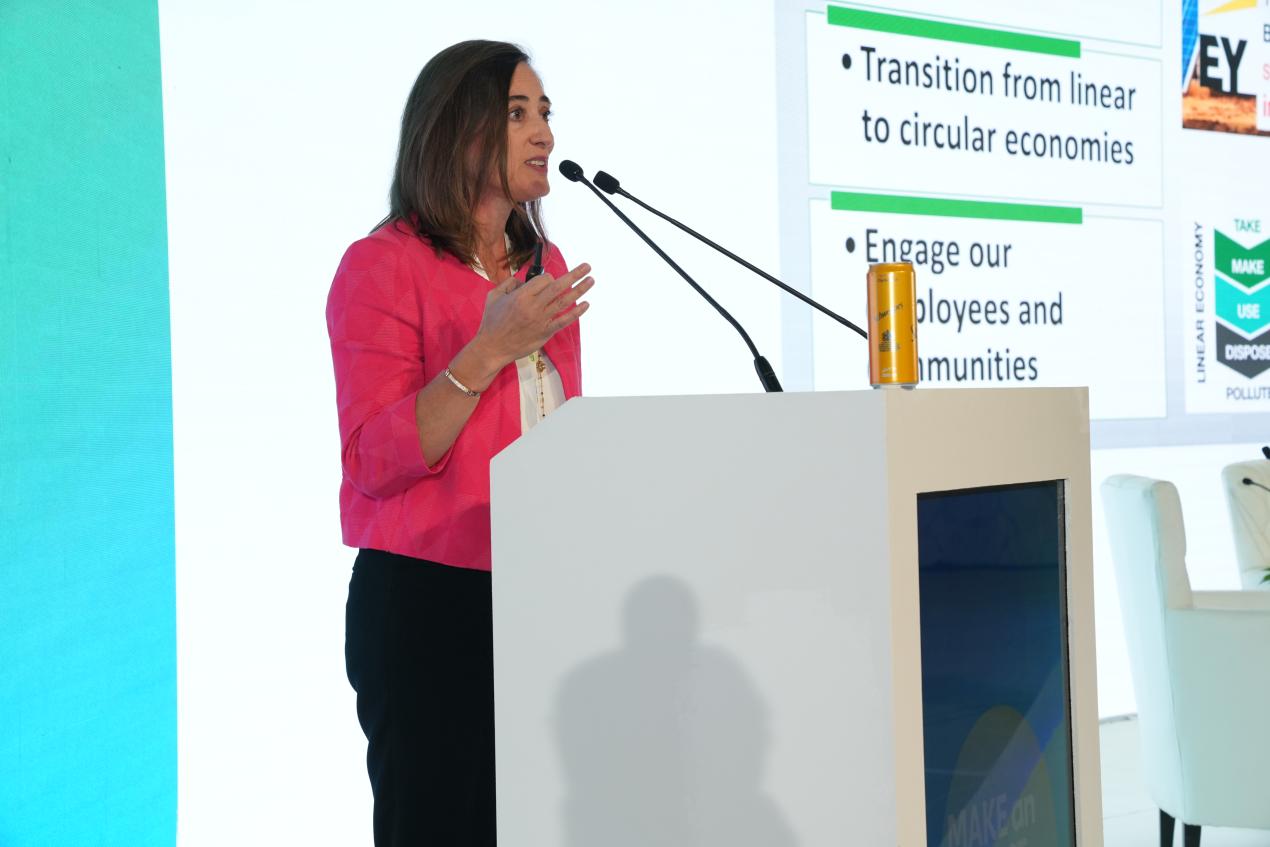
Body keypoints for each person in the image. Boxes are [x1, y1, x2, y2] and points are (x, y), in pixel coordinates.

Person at [325, 40, 593, 846]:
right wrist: (487, 350)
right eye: (517, 113)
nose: (543, 133)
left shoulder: (544, 267)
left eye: (544, 112)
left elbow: (555, 433)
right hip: (429, 605)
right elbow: (372, 459)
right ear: (457, 128)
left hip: (539, 592)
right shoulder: (382, 266)